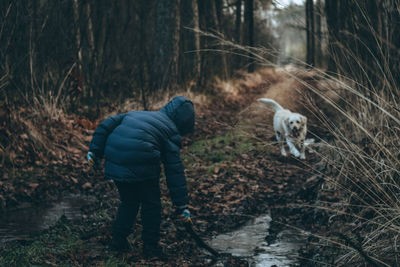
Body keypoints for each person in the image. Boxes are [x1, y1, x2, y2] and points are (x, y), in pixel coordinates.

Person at [86, 96, 194, 259]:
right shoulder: (170, 131)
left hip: (115, 158)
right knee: (152, 205)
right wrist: (181, 205)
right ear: (183, 124)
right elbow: (174, 171)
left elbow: (107, 124)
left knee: (129, 201)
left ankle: (118, 241)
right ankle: (150, 248)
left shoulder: (138, 113)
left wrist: (94, 151)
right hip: (141, 160)